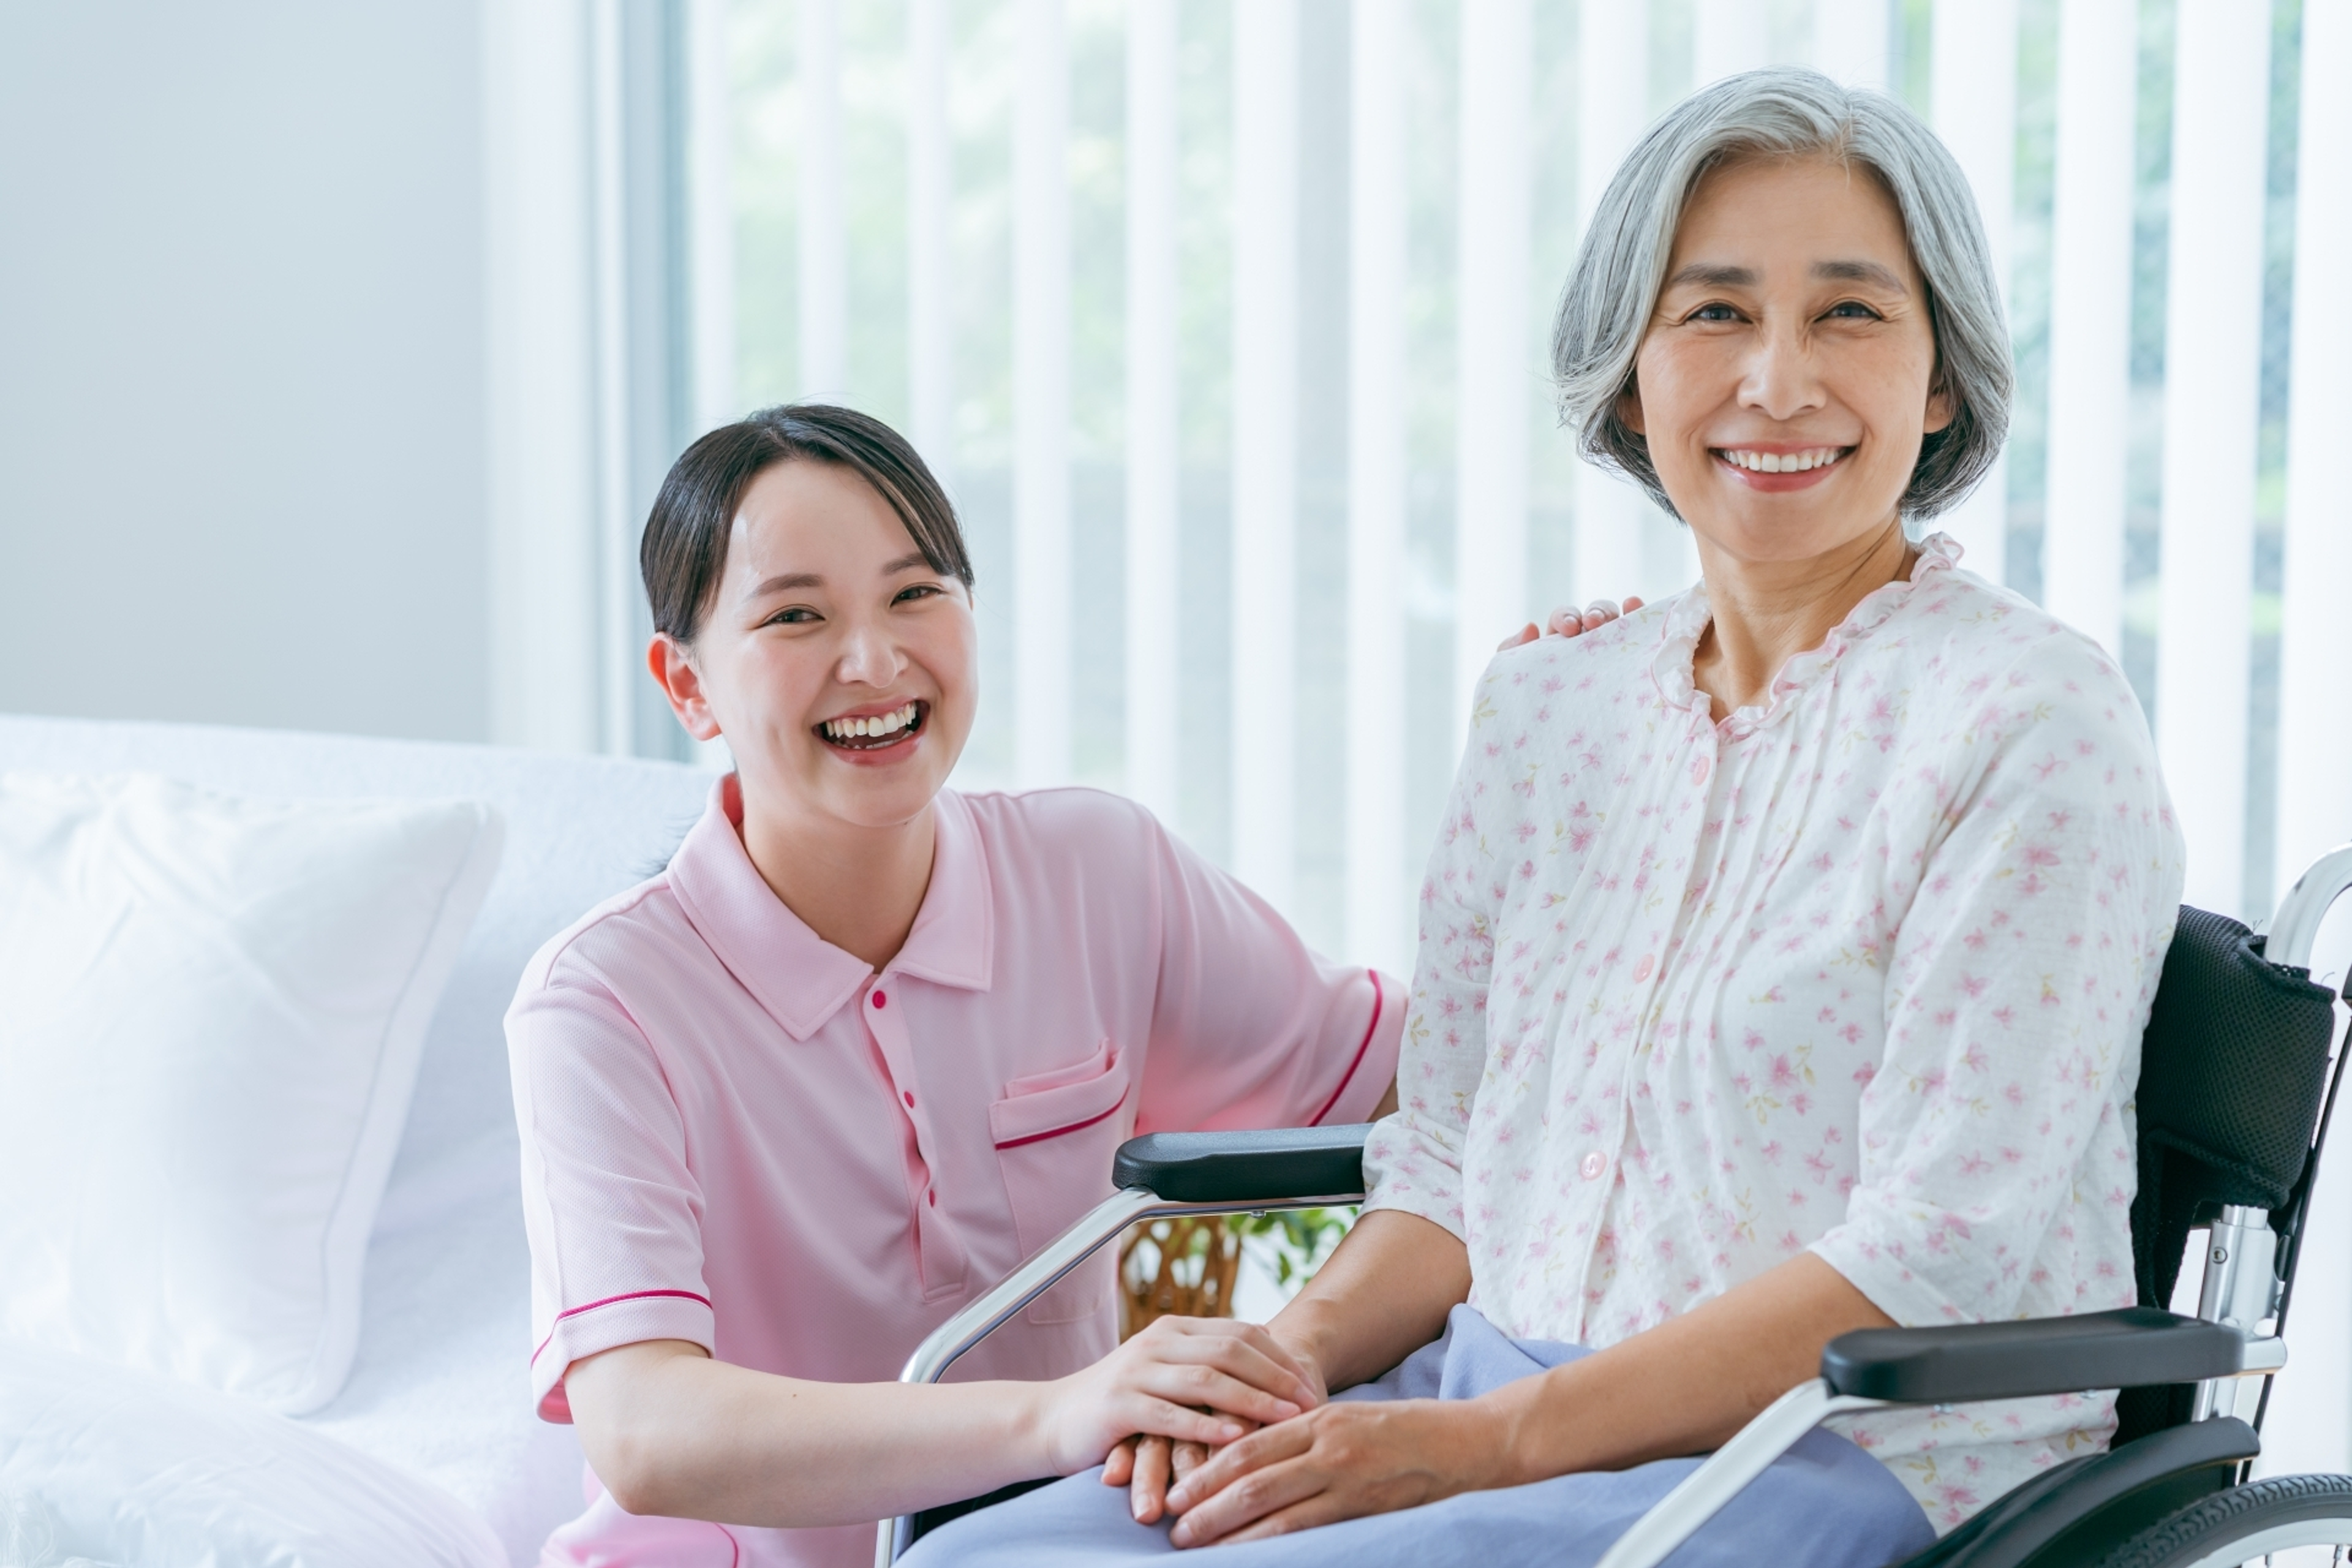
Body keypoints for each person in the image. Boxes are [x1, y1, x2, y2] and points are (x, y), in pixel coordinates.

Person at [910, 67, 2184, 1567]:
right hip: (1482, 1395)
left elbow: (1933, 1254)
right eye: (1713, 312)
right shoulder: (1552, 709)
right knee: (975, 1557)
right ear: (1630, 373)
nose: (1778, 379)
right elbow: (1452, 1159)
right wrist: (1294, 1361)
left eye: (1850, 312)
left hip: (1837, 1445)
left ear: (1944, 373)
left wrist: (1474, 1448)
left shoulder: (2029, 724)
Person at [507, 401, 1627, 1568]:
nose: (875, 661)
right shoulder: (602, 1003)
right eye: (797, 615)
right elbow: (643, 1427)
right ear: (686, 686)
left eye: (915, 593)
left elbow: (1444, 1080)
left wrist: (1573, 770)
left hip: (1055, 1544)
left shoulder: (1096, 874)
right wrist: (1067, 1411)